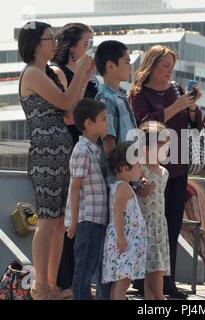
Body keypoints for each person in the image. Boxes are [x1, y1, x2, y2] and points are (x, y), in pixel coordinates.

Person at [18, 21, 91, 299]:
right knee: (48, 220)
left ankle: (51, 283)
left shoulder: (49, 73)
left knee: (60, 220)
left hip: (61, 152)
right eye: (50, 38)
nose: (54, 43)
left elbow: (72, 111)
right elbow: (63, 102)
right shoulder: (33, 73)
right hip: (45, 154)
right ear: (36, 43)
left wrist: (82, 78)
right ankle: (40, 286)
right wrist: (81, 71)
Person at [129, 45, 202, 298]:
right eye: (165, 66)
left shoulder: (176, 89)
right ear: (152, 66)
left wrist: (191, 106)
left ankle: (166, 282)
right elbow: (145, 123)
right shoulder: (139, 93)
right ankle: (141, 281)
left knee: (171, 224)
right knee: (148, 224)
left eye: (171, 66)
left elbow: (195, 122)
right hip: (151, 168)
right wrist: (176, 106)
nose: (169, 71)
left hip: (178, 166)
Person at [94, 40, 154, 299]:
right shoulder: (105, 98)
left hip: (126, 180)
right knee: (115, 258)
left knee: (122, 262)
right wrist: (125, 177)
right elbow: (109, 143)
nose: (131, 66)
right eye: (127, 61)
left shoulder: (121, 96)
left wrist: (136, 181)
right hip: (116, 182)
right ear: (110, 65)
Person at [51, 22, 98, 295]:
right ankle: (64, 281)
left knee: (81, 216)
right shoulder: (59, 72)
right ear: (71, 47)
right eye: (86, 44)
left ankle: (78, 280)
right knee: (67, 216)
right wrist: (81, 75)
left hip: (87, 150)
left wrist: (87, 75)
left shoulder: (88, 76)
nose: (89, 49)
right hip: (68, 148)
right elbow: (72, 114)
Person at [64, 98, 108, 300]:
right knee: (84, 267)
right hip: (87, 219)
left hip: (97, 218)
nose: (107, 123)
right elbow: (75, 187)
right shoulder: (82, 150)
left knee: (89, 266)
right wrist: (73, 221)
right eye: (103, 119)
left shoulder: (94, 148)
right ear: (89, 123)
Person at [102, 143, 147, 300]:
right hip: (125, 242)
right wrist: (121, 237)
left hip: (127, 241)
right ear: (124, 168)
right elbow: (118, 213)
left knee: (122, 280)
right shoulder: (123, 188)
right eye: (138, 165)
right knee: (124, 280)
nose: (141, 169)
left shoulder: (123, 186)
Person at [137, 121, 170, 300]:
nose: (165, 151)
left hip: (159, 225)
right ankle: (160, 297)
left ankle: (154, 298)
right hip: (144, 224)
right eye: (161, 146)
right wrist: (139, 183)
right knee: (154, 267)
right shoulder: (139, 169)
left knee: (156, 266)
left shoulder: (164, 172)